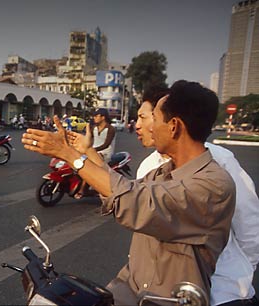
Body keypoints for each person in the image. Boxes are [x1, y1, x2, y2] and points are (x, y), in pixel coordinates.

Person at [21, 80, 236, 304]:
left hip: (163, 301)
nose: (149, 127)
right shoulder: (163, 172)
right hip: (127, 289)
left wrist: (71, 156)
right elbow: (122, 188)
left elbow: (136, 201)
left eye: (155, 118)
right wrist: (86, 152)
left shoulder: (214, 186)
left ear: (174, 126)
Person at [136, 86, 259, 306]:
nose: (139, 125)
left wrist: (240, 270)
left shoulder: (220, 163)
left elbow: (248, 222)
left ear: (172, 123)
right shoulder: (148, 167)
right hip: (171, 294)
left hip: (223, 292)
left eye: (146, 117)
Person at [74, 108, 116, 199]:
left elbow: (106, 144)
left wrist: (92, 150)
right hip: (93, 151)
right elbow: (88, 140)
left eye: (96, 116)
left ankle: (82, 190)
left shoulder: (111, 129)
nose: (94, 118)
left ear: (103, 117)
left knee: (88, 165)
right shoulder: (94, 128)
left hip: (105, 153)